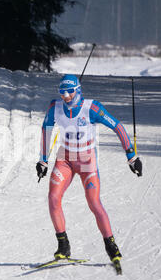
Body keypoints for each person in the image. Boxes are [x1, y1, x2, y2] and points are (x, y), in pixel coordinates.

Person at [36, 74, 142, 268]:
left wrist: (131, 156)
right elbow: (46, 129)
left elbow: (117, 126)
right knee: (53, 197)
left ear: (78, 91)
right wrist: (42, 161)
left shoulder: (91, 108)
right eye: (62, 92)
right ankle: (63, 246)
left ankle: (111, 246)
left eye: (69, 92)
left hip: (86, 159)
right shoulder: (55, 107)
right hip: (65, 158)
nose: (66, 96)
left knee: (93, 202)